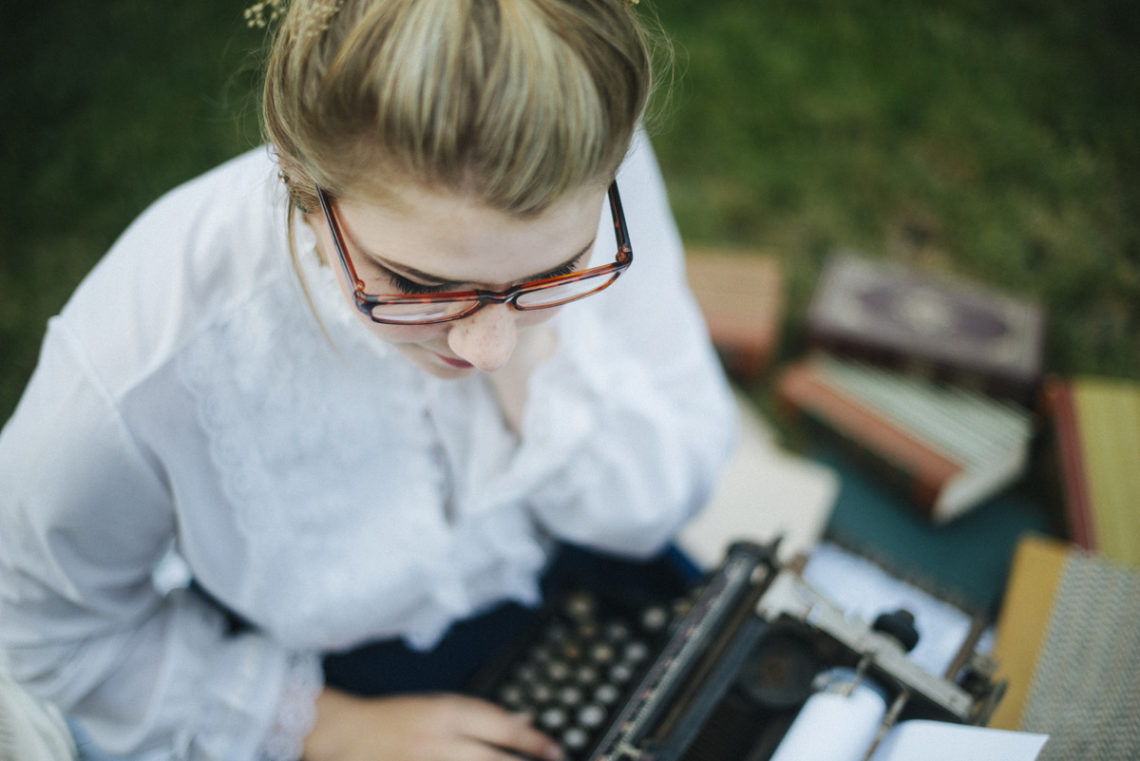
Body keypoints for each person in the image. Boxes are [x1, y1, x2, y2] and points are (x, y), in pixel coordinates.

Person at [0, 1, 736, 759]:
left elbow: (669, 476)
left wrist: (534, 368)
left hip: (588, 575)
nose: (489, 347)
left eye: (558, 268)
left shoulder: (588, 149)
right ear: (298, 178)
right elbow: (40, 626)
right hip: (328, 683)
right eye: (418, 281)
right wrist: (323, 724)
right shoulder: (141, 358)